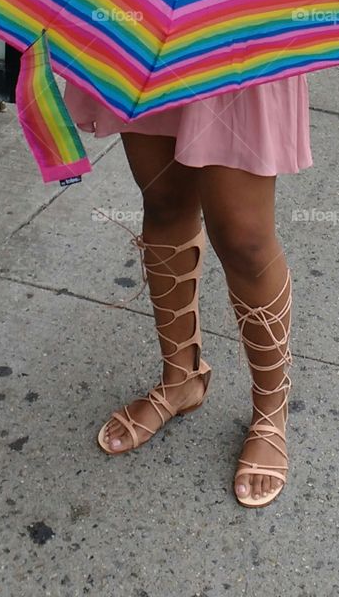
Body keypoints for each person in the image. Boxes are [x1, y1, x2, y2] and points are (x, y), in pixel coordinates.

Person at [63, 75, 313, 509]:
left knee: (245, 240)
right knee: (164, 203)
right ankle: (182, 378)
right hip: (151, 20)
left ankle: (272, 410)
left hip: (239, 26)